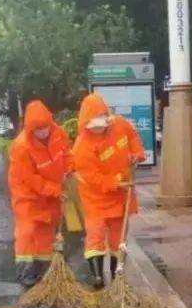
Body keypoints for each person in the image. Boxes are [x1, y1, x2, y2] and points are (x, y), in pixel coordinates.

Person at [72, 93, 146, 289]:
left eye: (101, 125)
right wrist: (115, 183)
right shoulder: (82, 147)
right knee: (95, 234)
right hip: (95, 196)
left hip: (120, 195)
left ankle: (115, 275)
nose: (99, 129)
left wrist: (137, 154)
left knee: (117, 237)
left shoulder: (120, 125)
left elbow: (133, 136)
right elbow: (92, 177)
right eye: (94, 127)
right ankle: (97, 278)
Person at [8, 100, 71, 290]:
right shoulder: (21, 147)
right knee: (27, 231)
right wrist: (54, 189)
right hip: (27, 194)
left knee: (46, 230)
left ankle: (45, 270)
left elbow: (67, 155)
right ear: (30, 129)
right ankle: (25, 271)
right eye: (38, 129)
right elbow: (30, 178)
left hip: (52, 192)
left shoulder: (59, 134)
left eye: (45, 127)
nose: (43, 132)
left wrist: (69, 169)